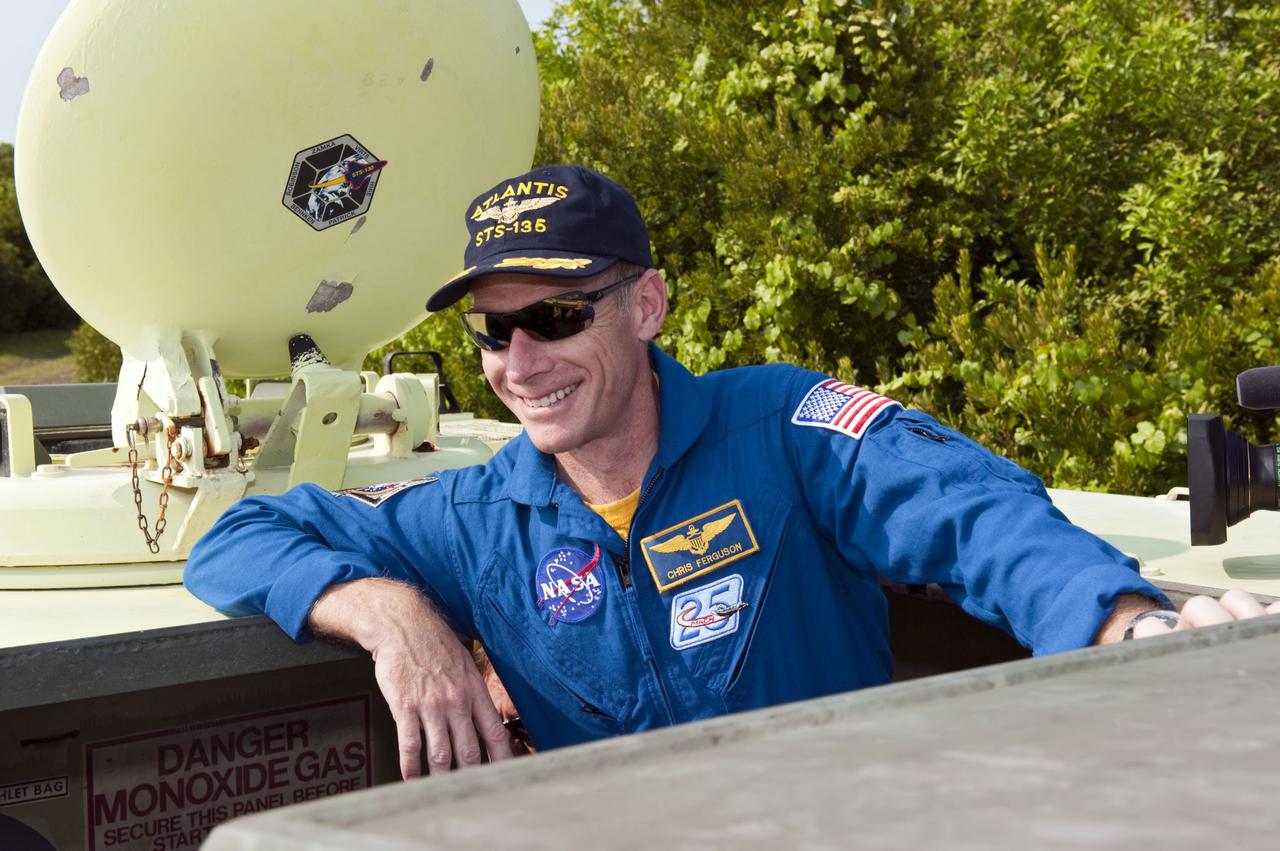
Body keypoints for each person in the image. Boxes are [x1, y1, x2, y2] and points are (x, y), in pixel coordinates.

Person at [185, 164, 1280, 780]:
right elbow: (234, 538)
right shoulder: (474, 515)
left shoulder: (781, 425)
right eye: (490, 331)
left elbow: (967, 512)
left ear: (646, 305)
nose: (518, 363)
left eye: (556, 317)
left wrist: (1122, 626)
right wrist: (388, 612)